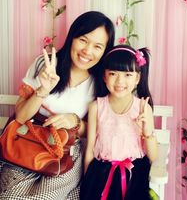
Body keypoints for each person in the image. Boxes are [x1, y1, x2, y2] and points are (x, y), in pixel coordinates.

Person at [0, 11, 115, 200]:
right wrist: (42, 91)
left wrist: (75, 121)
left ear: (104, 51)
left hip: (65, 155)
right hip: (26, 146)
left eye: (98, 46)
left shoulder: (101, 83)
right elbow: (20, 116)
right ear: (72, 37)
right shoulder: (44, 65)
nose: (87, 51)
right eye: (83, 40)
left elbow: (98, 130)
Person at [80, 45, 158, 200]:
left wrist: (146, 131)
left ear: (137, 78)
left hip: (134, 174)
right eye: (113, 74)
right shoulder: (96, 107)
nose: (119, 81)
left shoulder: (143, 108)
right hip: (101, 173)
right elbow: (90, 149)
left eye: (128, 75)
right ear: (104, 76)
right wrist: (87, 181)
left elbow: (154, 156)